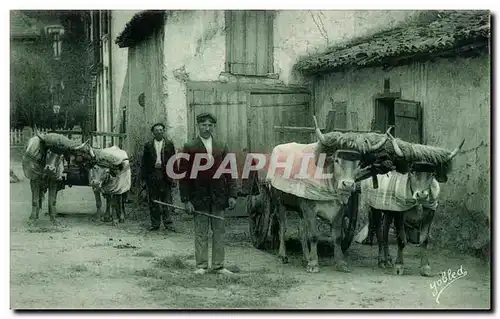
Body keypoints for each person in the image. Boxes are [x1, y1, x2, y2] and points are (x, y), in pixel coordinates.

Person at [178, 112, 237, 275]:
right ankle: (201, 265)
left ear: (214, 127)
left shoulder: (221, 145)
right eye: (203, 125)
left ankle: (218, 265)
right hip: (199, 197)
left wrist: (232, 195)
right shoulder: (189, 147)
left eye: (210, 125)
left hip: (219, 196)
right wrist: (186, 200)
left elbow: (229, 171)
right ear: (198, 126)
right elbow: (183, 175)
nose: (207, 128)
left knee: (219, 231)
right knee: (201, 232)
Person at [141, 123, 176, 231]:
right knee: (153, 201)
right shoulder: (148, 145)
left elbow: (173, 161)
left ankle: (168, 224)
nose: (159, 132)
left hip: (165, 175)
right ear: (153, 132)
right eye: (157, 130)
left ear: (163, 131)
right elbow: (144, 163)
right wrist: (144, 179)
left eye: (161, 130)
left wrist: (174, 177)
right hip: (153, 175)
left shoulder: (169, 144)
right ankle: (155, 224)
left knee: (166, 200)